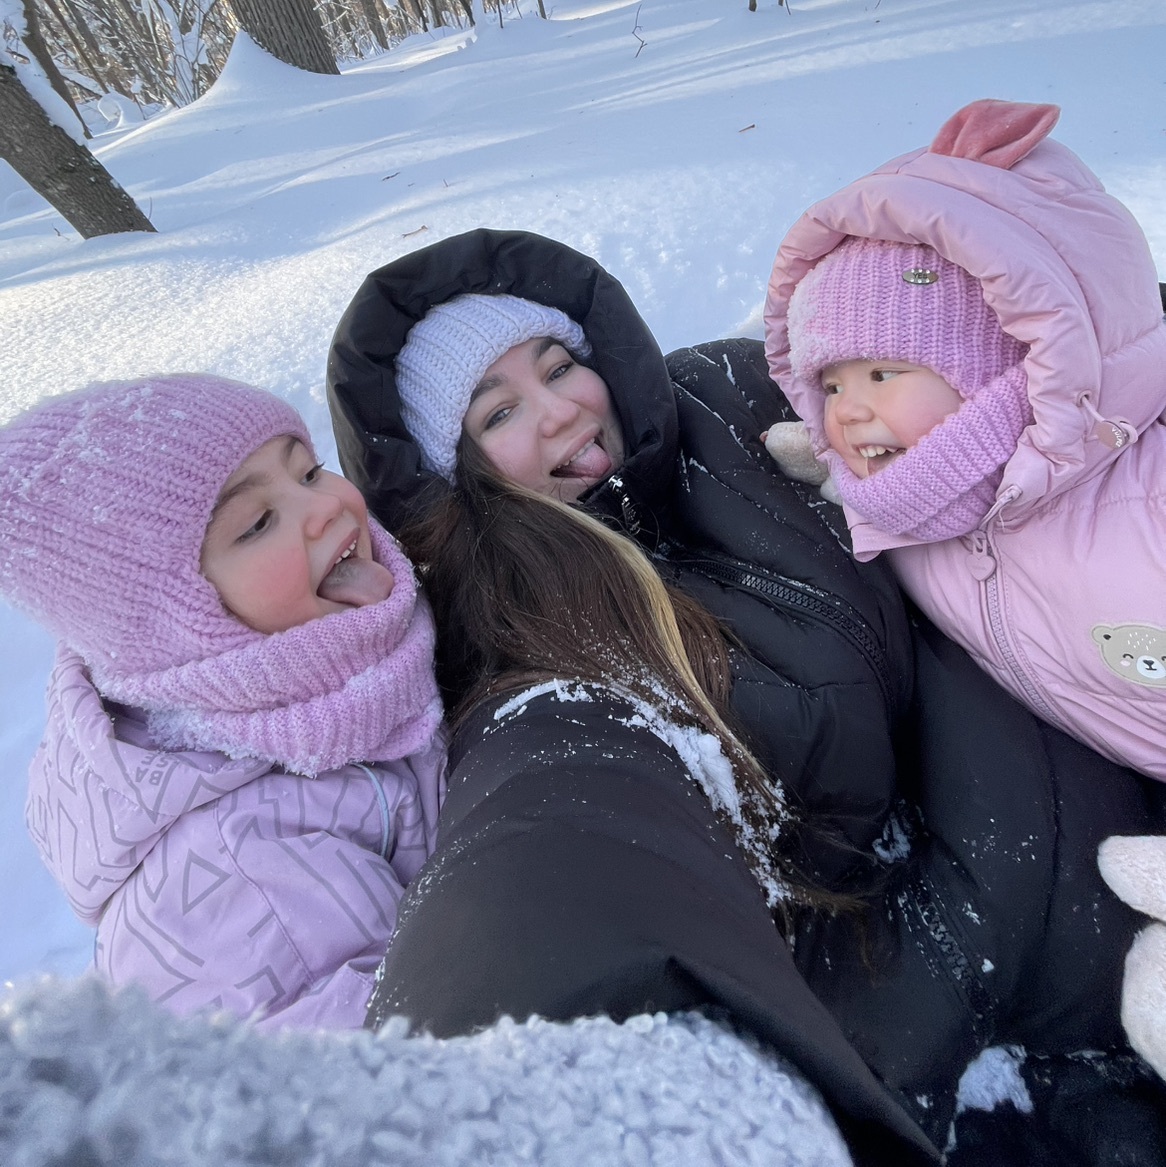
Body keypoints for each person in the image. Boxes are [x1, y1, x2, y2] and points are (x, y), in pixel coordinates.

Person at [328, 228, 1166, 1159]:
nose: (562, 410)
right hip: (1036, 1023)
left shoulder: (722, 401)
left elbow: (965, 358)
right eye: (496, 415)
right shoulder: (532, 652)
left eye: (559, 363)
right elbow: (549, 834)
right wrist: (497, 1089)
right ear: (454, 480)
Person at [1, 374, 445, 1029]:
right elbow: (418, 1071)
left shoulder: (357, 657)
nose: (323, 507)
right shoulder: (244, 876)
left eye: (310, 470)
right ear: (172, 625)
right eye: (259, 521)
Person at [763, 98, 1166, 784]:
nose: (846, 413)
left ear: (996, 369)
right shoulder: (912, 506)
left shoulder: (1145, 505)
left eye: (883, 373)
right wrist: (839, 468)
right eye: (831, 386)